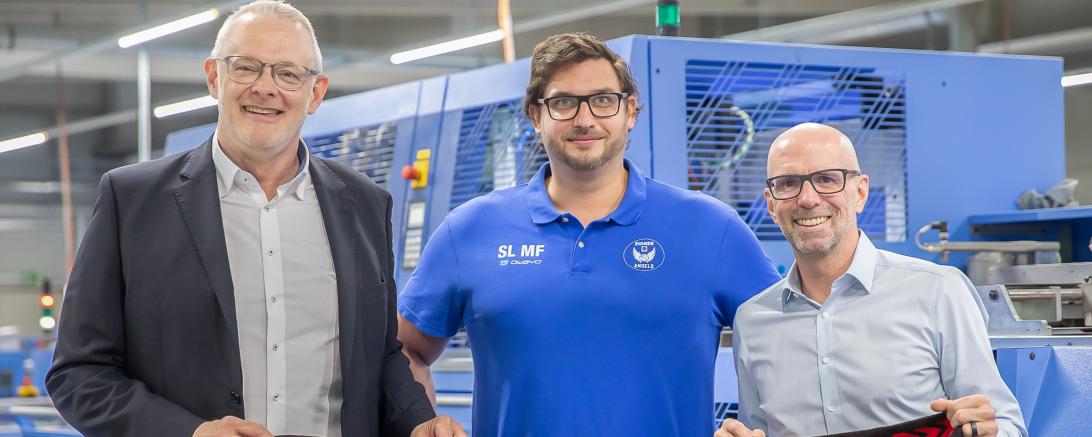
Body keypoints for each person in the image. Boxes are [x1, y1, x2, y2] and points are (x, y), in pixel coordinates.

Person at [45, 2, 464, 436]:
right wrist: (189, 433)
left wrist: (420, 423)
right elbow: (78, 374)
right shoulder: (132, 201)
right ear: (214, 77)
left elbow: (379, 356)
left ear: (315, 92)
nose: (266, 88)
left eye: (287, 74)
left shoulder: (364, 204)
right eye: (246, 67)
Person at [396, 32, 781, 436]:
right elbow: (405, 348)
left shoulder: (711, 228)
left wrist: (758, 429)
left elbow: (789, 342)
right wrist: (422, 419)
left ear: (629, 111)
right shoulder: (470, 230)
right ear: (535, 116)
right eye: (563, 103)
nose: (585, 119)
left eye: (602, 100)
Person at [716, 123, 1027, 437]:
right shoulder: (753, 320)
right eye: (787, 183)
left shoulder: (937, 291)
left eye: (826, 179)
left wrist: (991, 432)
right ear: (771, 204)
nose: (808, 199)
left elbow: (1006, 425)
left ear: (860, 193)